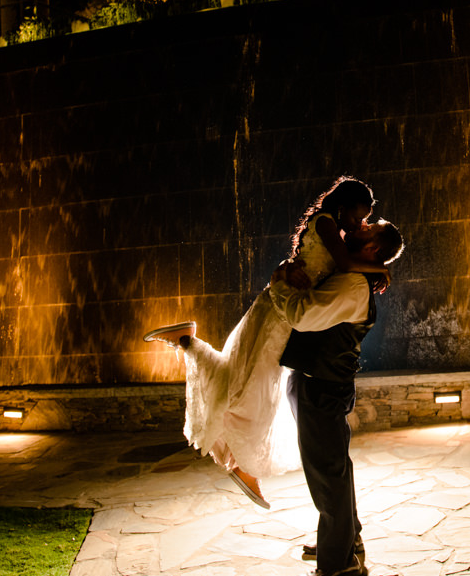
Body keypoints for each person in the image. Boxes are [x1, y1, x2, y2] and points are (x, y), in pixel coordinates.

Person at [142, 176, 391, 509]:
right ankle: (241, 463)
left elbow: (323, 266)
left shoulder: (338, 231)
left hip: (285, 312)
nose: (359, 223)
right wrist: (380, 267)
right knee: (250, 387)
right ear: (344, 204)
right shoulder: (327, 223)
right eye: (359, 216)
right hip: (279, 312)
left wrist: (289, 268)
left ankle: (189, 343)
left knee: (250, 385)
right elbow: (342, 265)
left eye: (364, 221)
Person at [273, 218, 405, 576]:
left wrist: (277, 285)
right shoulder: (350, 274)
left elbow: (302, 315)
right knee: (332, 470)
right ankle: (344, 538)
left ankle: (338, 564)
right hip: (321, 380)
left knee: (327, 473)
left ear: (373, 248)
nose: (360, 224)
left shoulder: (351, 284)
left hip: (322, 385)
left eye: (369, 226)